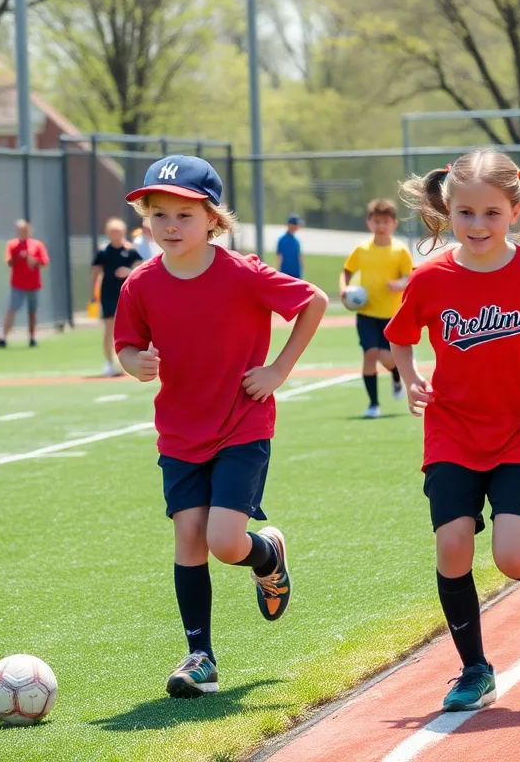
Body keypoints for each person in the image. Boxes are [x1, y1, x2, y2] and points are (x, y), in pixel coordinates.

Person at [387, 148, 520, 712]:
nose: (477, 225)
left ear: (516, 211)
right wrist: (410, 378)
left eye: (491, 214)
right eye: (465, 214)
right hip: (453, 429)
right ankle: (475, 670)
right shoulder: (430, 277)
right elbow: (400, 336)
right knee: (452, 545)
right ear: (446, 211)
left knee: (510, 555)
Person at [112, 155, 329, 699]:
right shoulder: (140, 284)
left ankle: (267, 554)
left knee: (225, 543)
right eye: (157, 214)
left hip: (241, 424)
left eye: (183, 215)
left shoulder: (243, 273)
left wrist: (278, 369)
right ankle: (200, 657)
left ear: (212, 218)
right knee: (189, 537)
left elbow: (314, 301)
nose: (169, 226)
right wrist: (132, 362)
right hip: (180, 432)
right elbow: (126, 346)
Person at [340, 199, 414, 418]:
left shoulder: (400, 250)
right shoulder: (362, 249)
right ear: (368, 223)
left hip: (391, 314)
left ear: (393, 223)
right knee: (370, 354)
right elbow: (346, 271)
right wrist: (344, 289)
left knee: (387, 357)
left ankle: (396, 374)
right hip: (366, 313)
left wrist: (400, 284)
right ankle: (373, 404)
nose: (380, 226)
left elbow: (410, 277)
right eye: (376, 221)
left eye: (385, 221)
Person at [93, 217, 143, 377]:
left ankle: (130, 363)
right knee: (108, 329)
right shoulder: (103, 252)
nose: (115, 234)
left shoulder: (130, 251)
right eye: (112, 231)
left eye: (118, 231)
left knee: (129, 329)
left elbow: (140, 271)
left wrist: (128, 272)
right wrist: (92, 293)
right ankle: (109, 363)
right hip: (108, 293)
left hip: (126, 294)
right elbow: (95, 272)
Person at [0, 220, 49, 348]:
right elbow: (9, 262)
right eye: (20, 230)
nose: (22, 232)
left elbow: (44, 262)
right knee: (11, 309)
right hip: (17, 284)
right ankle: (4, 336)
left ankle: (32, 337)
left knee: (32, 311)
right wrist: (20, 257)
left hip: (33, 284)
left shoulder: (37, 245)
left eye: (24, 230)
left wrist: (34, 261)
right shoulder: (12, 245)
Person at [276, 214, 304, 279]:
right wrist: (278, 270)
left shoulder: (296, 241)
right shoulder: (282, 240)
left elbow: (298, 256)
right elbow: (279, 256)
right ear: (290, 225)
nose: (298, 226)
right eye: (296, 224)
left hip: (296, 273)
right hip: (285, 272)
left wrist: (302, 267)